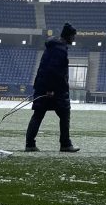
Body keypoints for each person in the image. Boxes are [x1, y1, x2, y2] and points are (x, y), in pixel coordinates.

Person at [25, 23, 80, 153]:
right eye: (73, 36)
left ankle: (30, 144)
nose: (74, 39)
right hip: (54, 89)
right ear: (69, 36)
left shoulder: (54, 46)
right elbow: (53, 71)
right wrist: (50, 89)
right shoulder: (59, 50)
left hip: (44, 86)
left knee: (38, 114)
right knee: (65, 113)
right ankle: (65, 144)